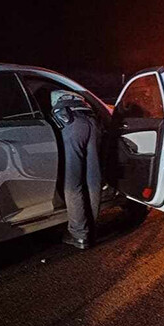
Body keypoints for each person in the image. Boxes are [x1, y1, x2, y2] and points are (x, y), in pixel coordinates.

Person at [50, 90, 102, 249]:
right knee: (93, 179)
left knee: (72, 183)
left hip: (71, 123)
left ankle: (79, 234)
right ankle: (90, 230)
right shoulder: (70, 91)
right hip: (91, 121)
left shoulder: (49, 95)